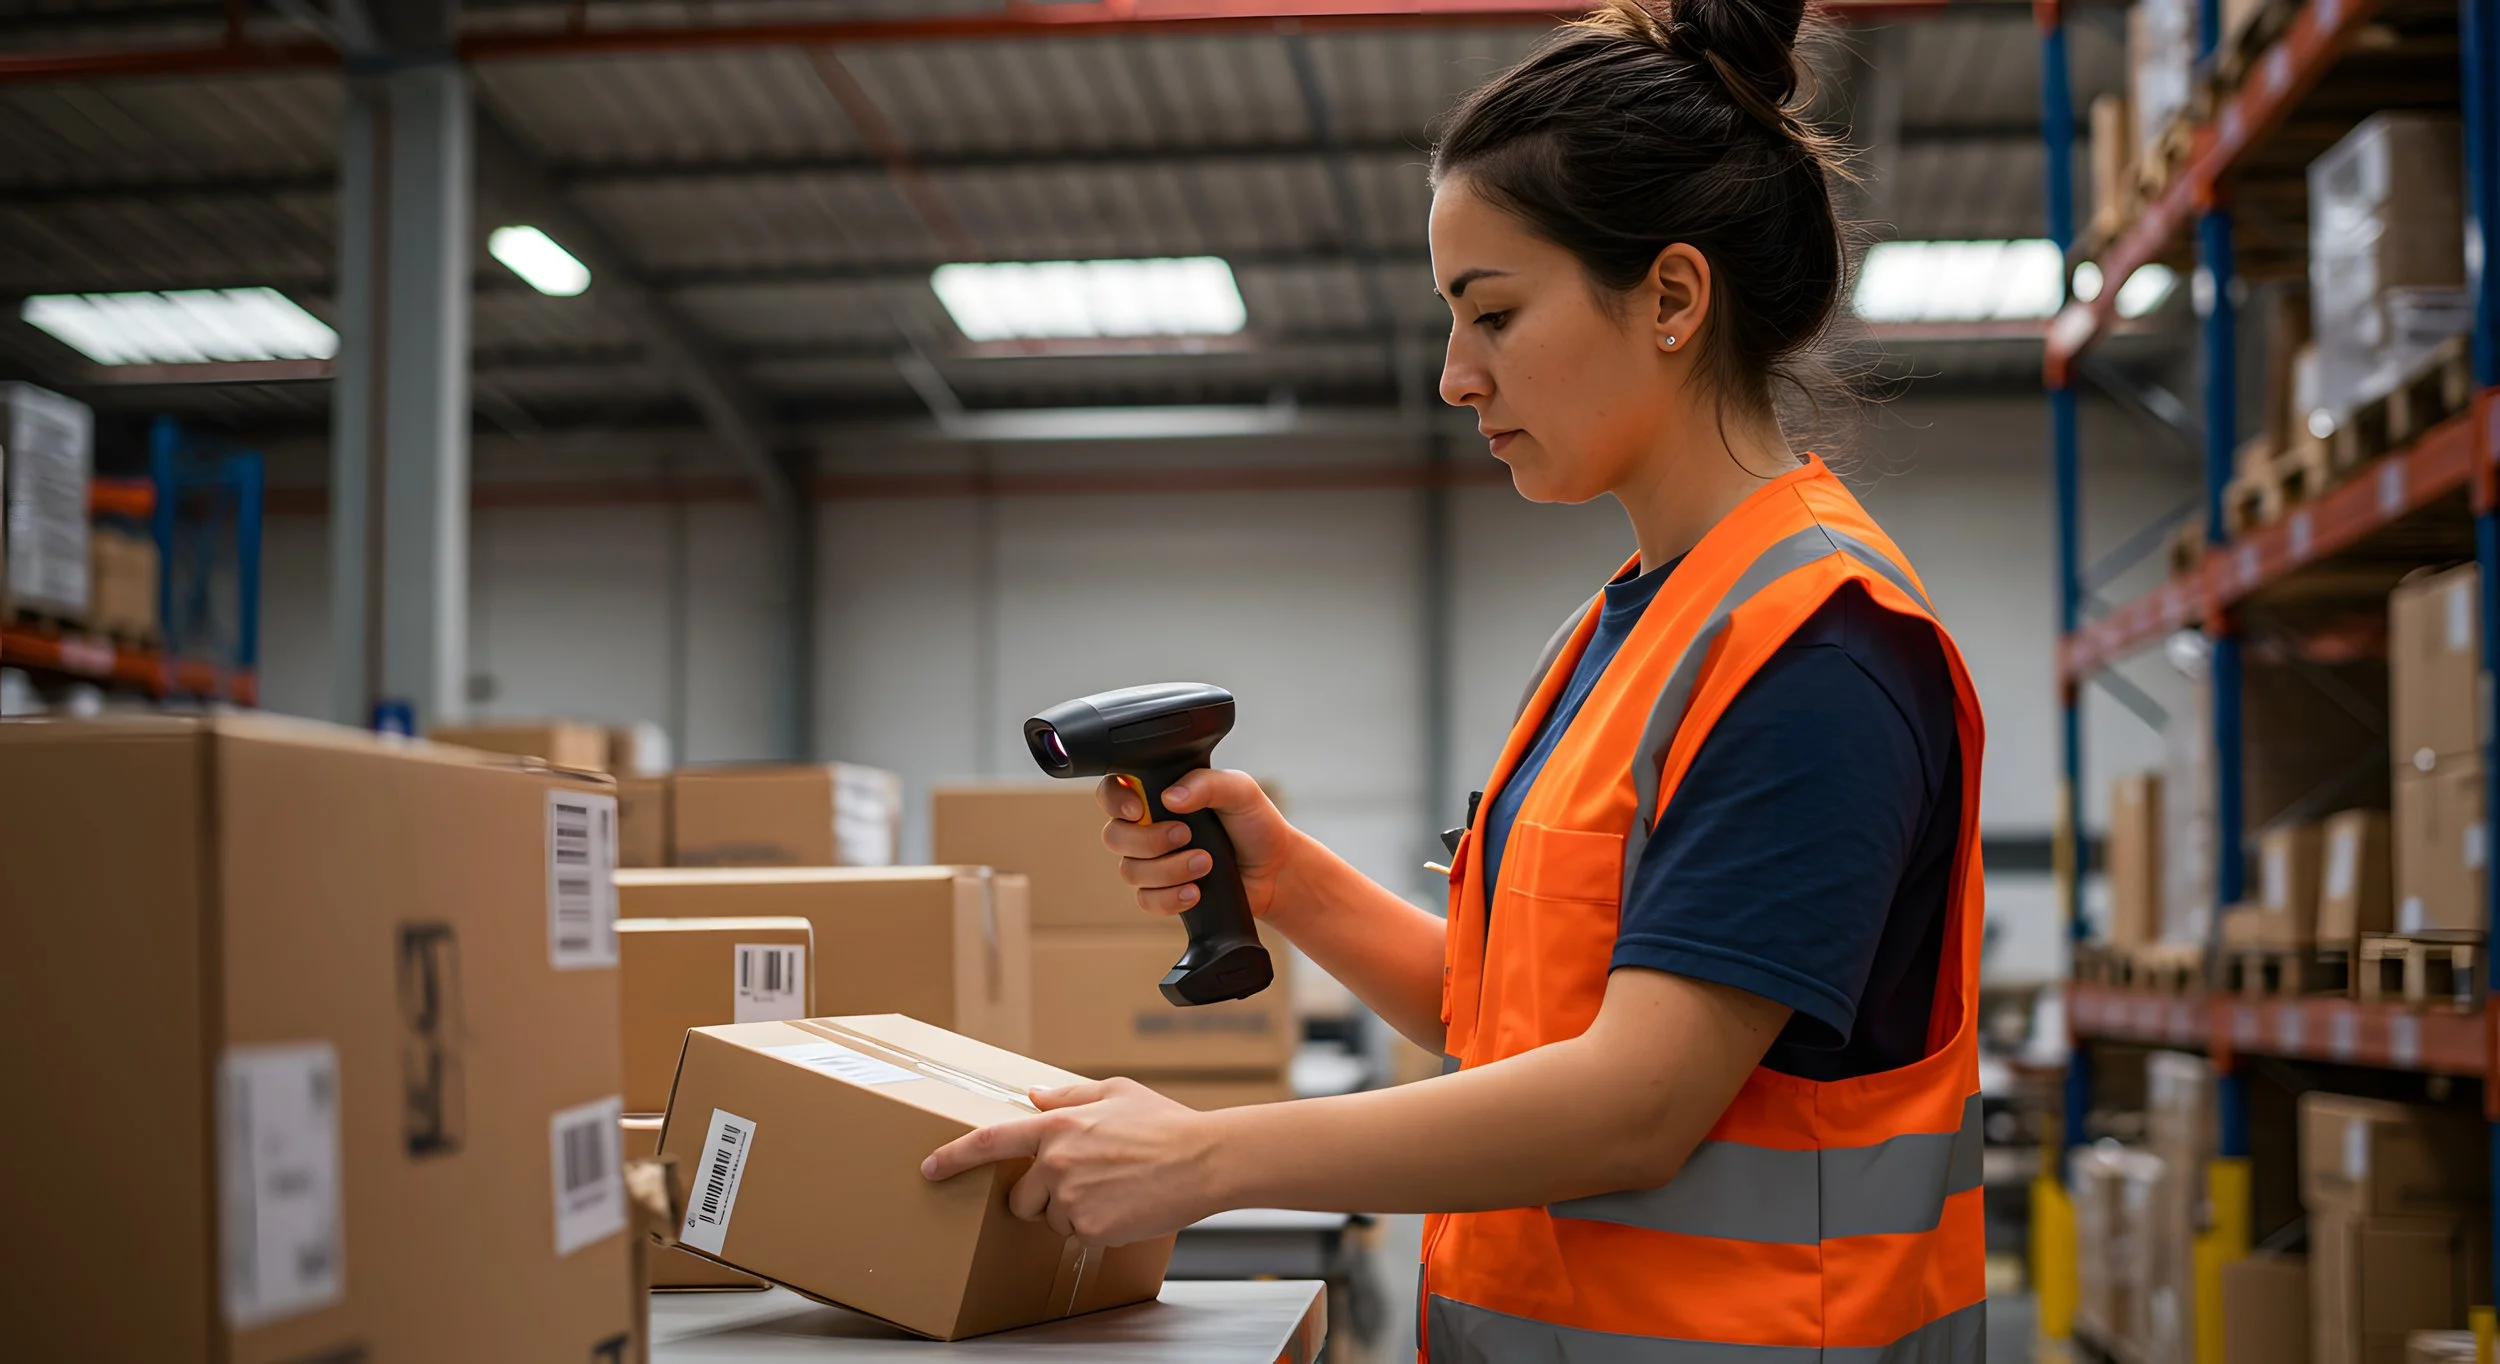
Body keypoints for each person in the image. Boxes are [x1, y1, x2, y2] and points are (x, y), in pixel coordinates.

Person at [921, 0, 1989, 1356]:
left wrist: (1205, 1159)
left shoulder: (1820, 654)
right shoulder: (1622, 632)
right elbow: (1505, 1023)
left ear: (1670, 297)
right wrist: (1287, 877)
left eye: (1493, 313)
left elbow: (1636, 1102)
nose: (1454, 376)